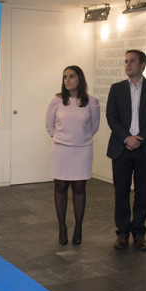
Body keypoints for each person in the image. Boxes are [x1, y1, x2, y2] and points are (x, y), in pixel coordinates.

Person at [106, 50, 146, 251]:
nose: (128, 65)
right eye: (125, 61)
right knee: (121, 192)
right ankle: (122, 233)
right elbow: (111, 117)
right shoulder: (116, 89)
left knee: (142, 193)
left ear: (143, 64)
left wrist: (140, 139)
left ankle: (139, 233)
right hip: (121, 148)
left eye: (132, 61)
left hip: (145, 148)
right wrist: (126, 138)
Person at [46, 66, 100, 246]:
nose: (67, 80)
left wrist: (80, 140)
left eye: (71, 76)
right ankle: (62, 226)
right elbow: (49, 125)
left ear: (80, 79)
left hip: (82, 150)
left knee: (79, 188)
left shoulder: (92, 102)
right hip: (61, 150)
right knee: (60, 187)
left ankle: (78, 227)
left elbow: (94, 126)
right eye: (65, 77)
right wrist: (62, 140)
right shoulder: (57, 100)